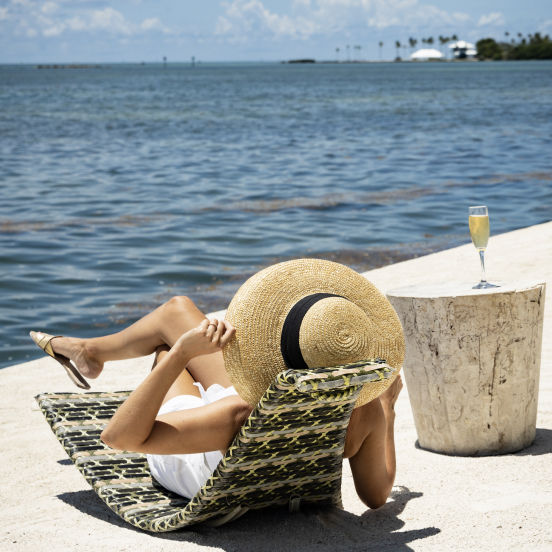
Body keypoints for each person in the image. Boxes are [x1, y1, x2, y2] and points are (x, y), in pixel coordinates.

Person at [31, 260, 404, 510]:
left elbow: (120, 438)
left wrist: (180, 355)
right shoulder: (365, 408)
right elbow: (376, 495)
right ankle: (90, 351)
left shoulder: (239, 417)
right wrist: (386, 407)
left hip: (195, 466)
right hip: (275, 417)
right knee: (179, 312)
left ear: (276, 349)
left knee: (167, 340)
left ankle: (89, 351)